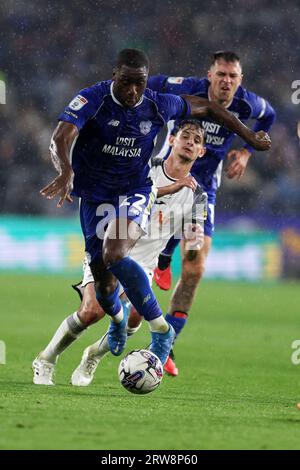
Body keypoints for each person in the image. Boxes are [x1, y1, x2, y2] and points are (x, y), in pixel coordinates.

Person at [34, 48, 270, 384]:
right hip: (96, 198)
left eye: (139, 85)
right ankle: (48, 357)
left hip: (133, 193)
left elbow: (212, 109)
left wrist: (249, 139)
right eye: (127, 83)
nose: (133, 92)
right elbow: (62, 136)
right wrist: (66, 170)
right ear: (115, 75)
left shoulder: (161, 106)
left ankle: (159, 331)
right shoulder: (93, 99)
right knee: (97, 304)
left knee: (116, 261)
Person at [33, 119, 207, 386]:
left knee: (134, 318)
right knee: (92, 311)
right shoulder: (145, 170)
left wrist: (185, 250)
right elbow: (126, 196)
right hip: (112, 249)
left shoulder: (198, 196)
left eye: (197, 140)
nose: (190, 142)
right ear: (172, 140)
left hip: (145, 263)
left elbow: (185, 237)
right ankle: (46, 358)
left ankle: (93, 355)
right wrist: (172, 187)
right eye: (185, 136)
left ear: (202, 152)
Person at [147, 51, 276, 375]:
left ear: (240, 80)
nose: (226, 82)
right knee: (138, 261)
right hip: (165, 179)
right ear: (209, 76)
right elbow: (148, 85)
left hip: (203, 192)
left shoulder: (246, 104)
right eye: (221, 75)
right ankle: (159, 261)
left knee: (194, 269)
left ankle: (164, 347)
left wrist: (245, 152)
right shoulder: (186, 87)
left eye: (232, 76)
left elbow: (269, 117)